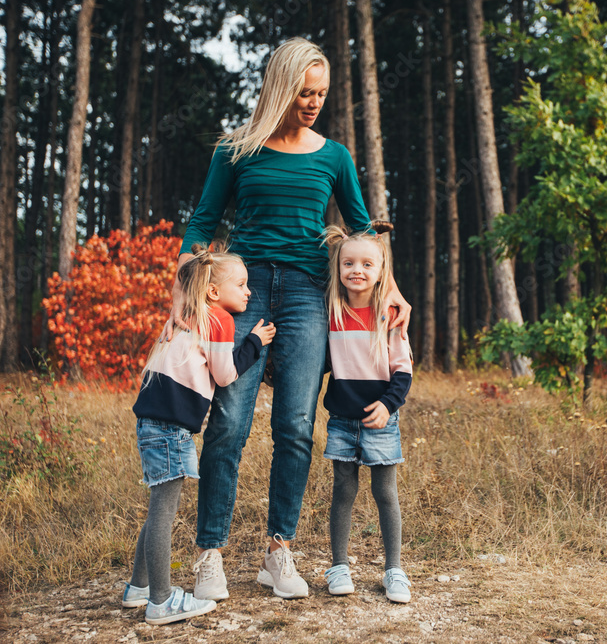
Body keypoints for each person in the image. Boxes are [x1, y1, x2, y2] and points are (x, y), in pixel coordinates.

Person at [173, 37, 411, 601]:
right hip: (244, 292)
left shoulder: (334, 156)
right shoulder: (236, 150)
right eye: (305, 92)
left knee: (296, 427)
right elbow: (202, 221)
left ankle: (279, 551)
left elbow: (363, 227)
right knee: (229, 421)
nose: (313, 103)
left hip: (308, 296)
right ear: (281, 87)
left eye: (321, 94)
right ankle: (211, 555)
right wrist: (184, 293)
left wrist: (392, 287)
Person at [123, 245, 276, 625]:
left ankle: (138, 587)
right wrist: (255, 343)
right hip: (172, 427)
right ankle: (160, 601)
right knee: (163, 512)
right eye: (241, 284)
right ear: (213, 292)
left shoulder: (185, 313)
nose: (248, 292)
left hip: (152, 421)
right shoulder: (219, 319)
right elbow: (225, 375)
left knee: (158, 507)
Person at [320, 225, 413, 604]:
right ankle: (339, 565)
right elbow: (325, 361)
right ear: (338, 268)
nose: (356, 270)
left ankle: (394, 569)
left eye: (366, 264)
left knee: (385, 493)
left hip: (380, 420)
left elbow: (404, 371)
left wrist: (388, 405)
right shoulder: (332, 311)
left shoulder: (389, 315)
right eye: (348, 263)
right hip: (341, 420)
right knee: (343, 491)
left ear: (381, 271)